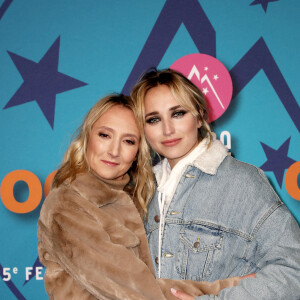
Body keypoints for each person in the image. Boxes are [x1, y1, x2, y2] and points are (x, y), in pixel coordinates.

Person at [37, 94, 243, 300]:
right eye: (104, 135)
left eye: (128, 141)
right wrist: (233, 287)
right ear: (87, 137)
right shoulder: (67, 204)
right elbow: (138, 289)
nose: (114, 151)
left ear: (138, 151)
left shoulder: (136, 200)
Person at [131, 68, 300, 300]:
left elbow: (293, 270)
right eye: (154, 119)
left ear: (200, 116)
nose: (167, 129)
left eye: (178, 113)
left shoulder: (242, 183)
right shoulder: (142, 191)